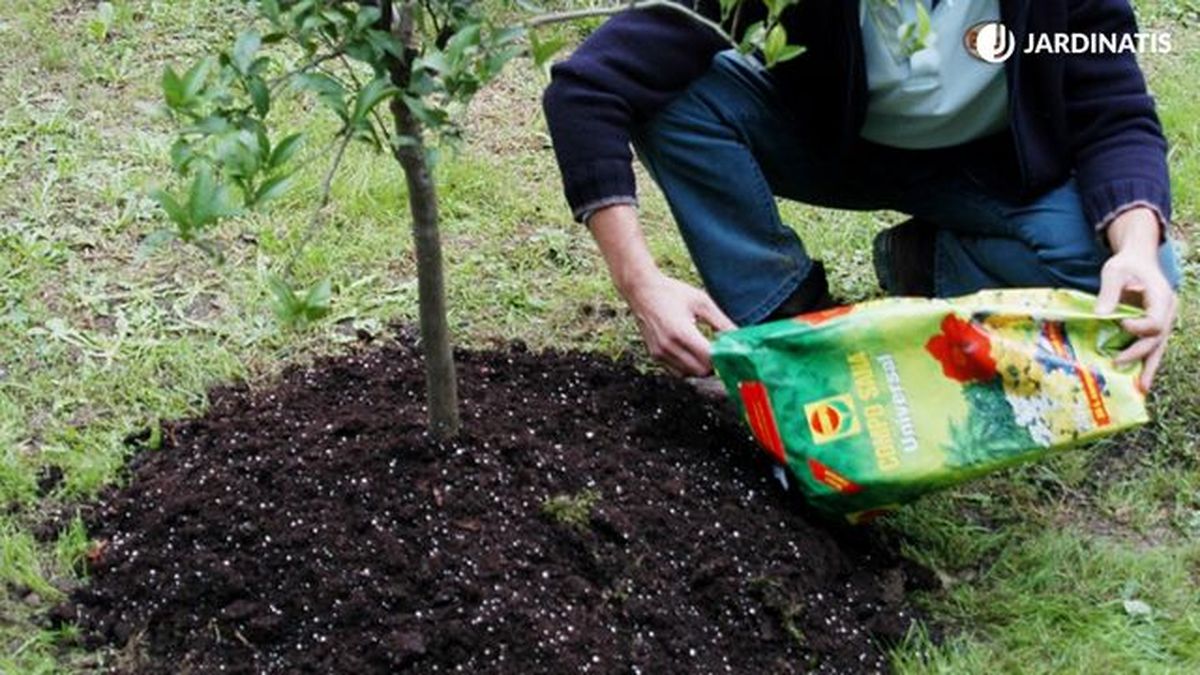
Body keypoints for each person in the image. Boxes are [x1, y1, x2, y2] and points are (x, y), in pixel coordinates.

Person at [541, 0, 1180, 391]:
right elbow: (589, 87)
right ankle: (783, 314)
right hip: (826, 141)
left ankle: (925, 264)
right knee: (678, 97)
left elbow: (1113, 109)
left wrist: (1136, 249)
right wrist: (642, 284)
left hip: (990, 168)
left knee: (1135, 280)